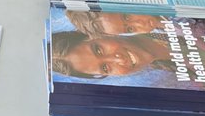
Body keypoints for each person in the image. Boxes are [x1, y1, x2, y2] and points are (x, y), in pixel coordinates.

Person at [49, 30, 177, 79]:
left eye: (99, 50)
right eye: (105, 68)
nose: (117, 59)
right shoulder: (173, 74)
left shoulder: (160, 24)